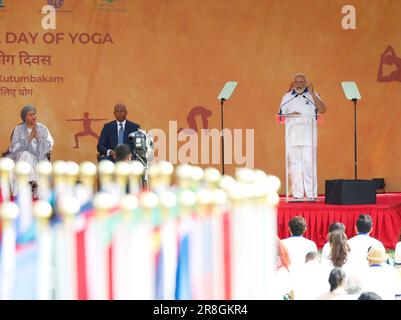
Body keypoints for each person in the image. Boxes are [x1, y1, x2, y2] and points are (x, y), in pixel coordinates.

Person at [278, 73, 326, 200]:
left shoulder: (312, 96)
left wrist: (312, 93)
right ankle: (298, 194)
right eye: (297, 82)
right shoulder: (287, 97)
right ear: (293, 83)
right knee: (295, 167)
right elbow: (280, 117)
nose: (299, 84)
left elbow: (322, 109)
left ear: (305, 83)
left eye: (301, 82)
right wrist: (290, 115)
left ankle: (311, 194)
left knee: (309, 165)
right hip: (292, 138)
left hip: (309, 138)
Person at [6, 105, 54, 196]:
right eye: (30, 115)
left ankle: (31, 182)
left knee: (28, 156)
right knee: (25, 154)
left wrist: (38, 138)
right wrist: (29, 138)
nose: (33, 116)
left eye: (34, 114)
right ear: (24, 117)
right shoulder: (18, 129)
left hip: (39, 159)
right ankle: (31, 180)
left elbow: (49, 146)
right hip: (21, 160)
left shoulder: (43, 128)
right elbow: (13, 148)